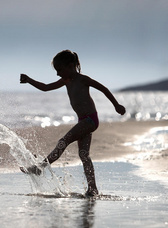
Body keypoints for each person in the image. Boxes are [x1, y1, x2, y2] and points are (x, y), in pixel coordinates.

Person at [20, 50, 126, 196]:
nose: (58, 74)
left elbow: (104, 89)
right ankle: (93, 189)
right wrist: (29, 80)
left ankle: (40, 167)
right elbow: (45, 87)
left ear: (71, 66)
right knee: (84, 155)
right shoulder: (65, 81)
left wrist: (116, 105)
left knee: (64, 140)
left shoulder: (83, 80)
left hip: (90, 120)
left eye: (60, 70)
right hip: (84, 121)